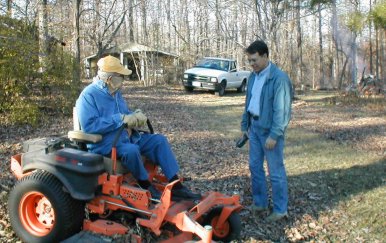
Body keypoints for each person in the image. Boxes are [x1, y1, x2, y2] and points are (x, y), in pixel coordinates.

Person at [76, 55, 201, 201]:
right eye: (120, 76)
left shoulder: (115, 92)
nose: (123, 79)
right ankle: (145, 185)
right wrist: (120, 119)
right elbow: (89, 126)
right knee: (131, 150)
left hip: (126, 137)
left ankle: (176, 186)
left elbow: (124, 113)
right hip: (105, 144)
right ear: (110, 78)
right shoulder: (88, 95)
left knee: (159, 141)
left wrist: (134, 116)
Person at [240, 40, 293, 222]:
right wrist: (245, 125)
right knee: (255, 167)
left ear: (265, 56)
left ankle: (280, 210)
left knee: (275, 172)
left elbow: (282, 110)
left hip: (270, 133)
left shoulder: (279, 78)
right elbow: (249, 102)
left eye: (254, 60)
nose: (252, 64)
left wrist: (274, 135)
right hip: (254, 129)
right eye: (249, 61)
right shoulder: (253, 76)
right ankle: (260, 203)